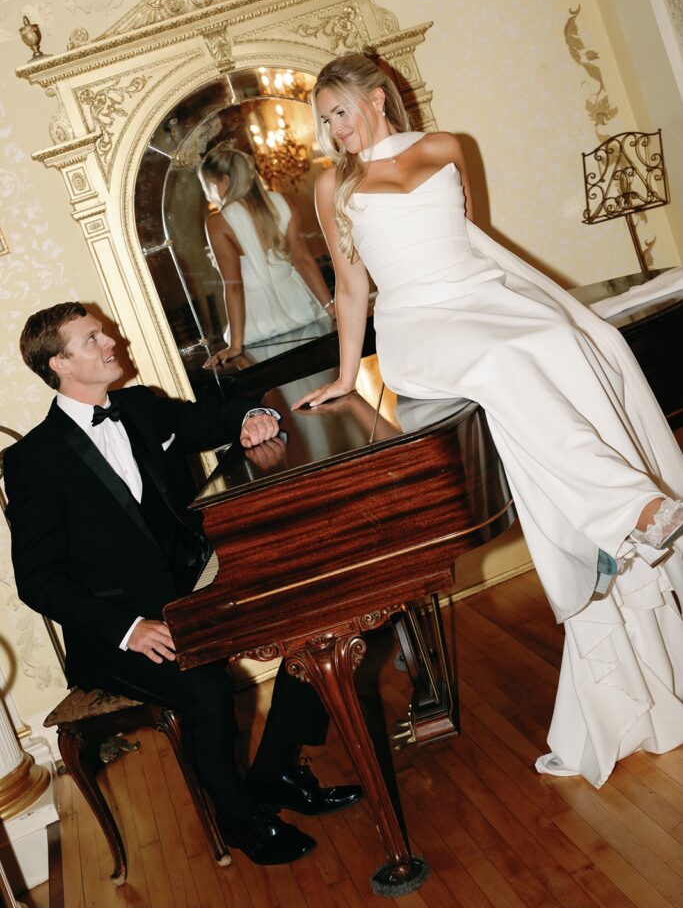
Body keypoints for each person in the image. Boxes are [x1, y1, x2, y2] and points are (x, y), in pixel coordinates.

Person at [293, 53, 683, 788]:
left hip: (479, 297)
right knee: (503, 363)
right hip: (419, 326)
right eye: (325, 120)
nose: (334, 130)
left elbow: (467, 235)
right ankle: (633, 506)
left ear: (377, 100)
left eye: (340, 111)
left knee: (555, 340)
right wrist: (346, 376)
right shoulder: (331, 184)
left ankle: (629, 513)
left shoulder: (445, 146)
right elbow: (351, 287)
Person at [4, 301, 361, 865]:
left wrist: (247, 417)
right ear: (60, 364)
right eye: (92, 338)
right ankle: (241, 819)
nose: (110, 341)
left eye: (104, 332)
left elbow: (205, 420)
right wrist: (127, 629)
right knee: (207, 691)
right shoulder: (31, 461)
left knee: (311, 623)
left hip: (194, 592)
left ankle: (274, 774)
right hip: (119, 632)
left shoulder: (140, 407)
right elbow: (38, 580)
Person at [198, 144, 335, 368]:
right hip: (299, 304)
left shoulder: (218, 223)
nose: (209, 193)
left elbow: (233, 286)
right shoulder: (284, 202)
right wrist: (330, 307)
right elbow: (303, 260)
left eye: (207, 186)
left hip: (257, 320)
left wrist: (235, 346)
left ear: (221, 182)